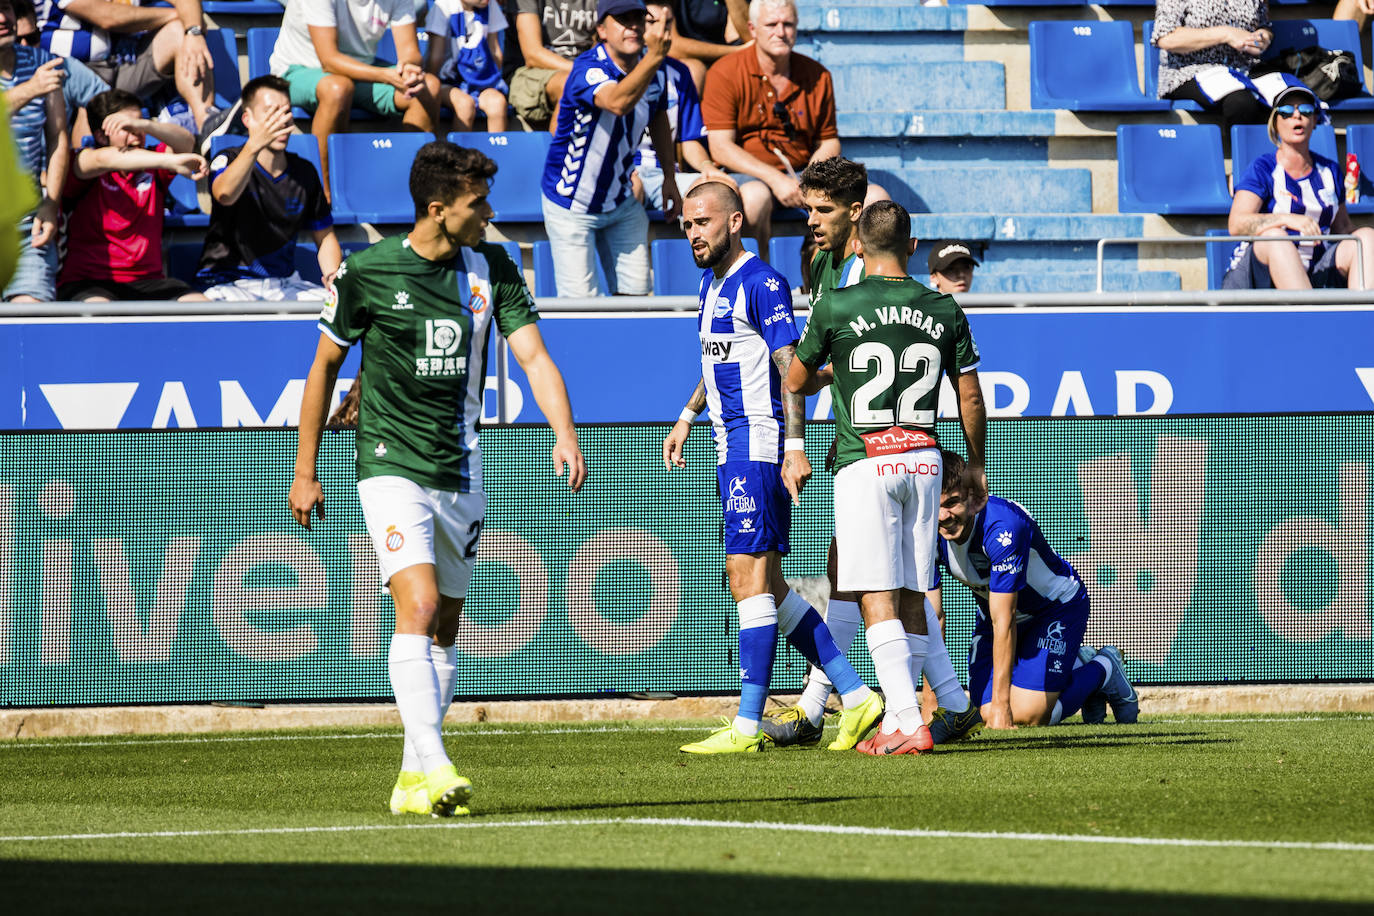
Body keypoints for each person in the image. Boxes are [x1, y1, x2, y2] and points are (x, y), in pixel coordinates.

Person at [290, 140, 586, 816]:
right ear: (437, 209)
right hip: (389, 466)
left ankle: (409, 776)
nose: (489, 214)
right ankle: (439, 763)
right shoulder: (367, 273)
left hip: (461, 469)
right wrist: (305, 471)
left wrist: (564, 433)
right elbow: (323, 371)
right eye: (477, 204)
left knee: (446, 626)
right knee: (417, 607)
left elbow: (534, 358)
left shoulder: (492, 269)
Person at [763, 158, 983, 749]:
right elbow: (966, 387)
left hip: (869, 450)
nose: (810, 220)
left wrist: (795, 437)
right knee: (866, 577)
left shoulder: (854, 283)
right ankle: (952, 703)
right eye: (807, 208)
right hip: (908, 450)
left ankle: (867, 711)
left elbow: (804, 370)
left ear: (857, 216)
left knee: (866, 585)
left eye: (822, 210)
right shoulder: (829, 262)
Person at [664, 181, 883, 754]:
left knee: (747, 577)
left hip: (757, 446)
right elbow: (726, 360)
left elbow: (790, 366)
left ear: (736, 222)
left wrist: (793, 442)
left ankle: (744, 725)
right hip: (729, 444)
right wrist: (688, 414)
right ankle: (857, 695)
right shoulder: (714, 285)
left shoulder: (762, 283)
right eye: (686, 225)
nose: (693, 234)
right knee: (773, 586)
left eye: (703, 222)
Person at [932, 450, 1139, 728]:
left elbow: (1005, 619)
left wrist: (1003, 709)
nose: (944, 516)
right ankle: (1074, 667)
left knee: (1026, 715)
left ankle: (1103, 667)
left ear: (972, 497)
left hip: (1053, 610)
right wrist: (930, 707)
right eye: (937, 505)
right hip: (994, 617)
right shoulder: (926, 530)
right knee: (979, 714)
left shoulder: (1003, 527)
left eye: (953, 503)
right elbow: (932, 618)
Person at [702, 0, 886, 256]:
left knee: (875, 197)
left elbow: (829, 141)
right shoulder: (724, 72)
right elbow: (720, 147)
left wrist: (809, 179)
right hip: (751, 175)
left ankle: (858, 284)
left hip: (804, 172)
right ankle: (761, 282)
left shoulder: (817, 74)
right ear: (753, 29)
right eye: (771, 24)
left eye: (788, 24)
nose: (781, 31)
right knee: (755, 198)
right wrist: (775, 179)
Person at [540, 0, 679, 297]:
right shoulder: (586, 68)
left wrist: (669, 177)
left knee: (639, 300)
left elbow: (658, 117)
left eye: (638, 19)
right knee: (581, 309)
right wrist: (654, 57)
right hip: (570, 203)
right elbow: (617, 102)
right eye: (622, 19)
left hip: (620, 200)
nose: (633, 25)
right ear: (601, 29)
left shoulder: (654, 67)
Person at [196, 75, 343, 301]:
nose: (281, 121)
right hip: (229, 282)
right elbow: (224, 194)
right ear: (247, 119)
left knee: (338, 307)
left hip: (285, 283)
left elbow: (324, 236)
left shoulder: (304, 171)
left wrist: (333, 276)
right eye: (271, 113)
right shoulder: (227, 159)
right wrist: (255, 144)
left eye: (285, 112)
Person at [269, 0, 440, 193]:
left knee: (428, 87)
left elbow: (410, 51)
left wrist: (409, 68)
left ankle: (413, 190)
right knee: (338, 88)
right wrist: (385, 76)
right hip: (298, 70)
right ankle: (323, 191)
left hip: (361, 72)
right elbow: (329, 61)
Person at [58, 88, 208, 301]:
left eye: (137, 126)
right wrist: (169, 161)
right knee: (100, 312)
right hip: (89, 282)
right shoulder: (83, 160)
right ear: (101, 135)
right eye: (126, 128)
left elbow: (187, 144)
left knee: (199, 306)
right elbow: (105, 160)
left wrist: (145, 124)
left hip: (149, 281)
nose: (136, 134)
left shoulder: (152, 160)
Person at [1224, 83, 1374, 291]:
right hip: (1260, 274)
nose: (1297, 116)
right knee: (1276, 237)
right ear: (1275, 123)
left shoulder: (1329, 170)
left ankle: (1364, 317)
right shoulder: (1263, 168)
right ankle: (1309, 318)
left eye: (1305, 111)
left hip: (1313, 270)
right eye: (1286, 112)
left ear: (1314, 121)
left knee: (1366, 238)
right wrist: (1288, 219)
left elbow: (1342, 229)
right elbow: (1237, 224)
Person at [34, 0, 216, 130]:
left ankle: (207, 123)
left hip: (126, 65)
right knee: (88, 103)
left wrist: (193, 31)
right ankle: (86, 170)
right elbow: (108, 17)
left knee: (181, 33)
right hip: (73, 71)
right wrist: (176, 15)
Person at [630, 0, 728, 212]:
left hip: (667, 174)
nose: (661, 31)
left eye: (668, 24)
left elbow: (689, 139)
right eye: (651, 22)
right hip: (627, 172)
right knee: (630, 190)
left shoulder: (679, 72)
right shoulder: (619, 67)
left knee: (719, 192)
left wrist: (707, 167)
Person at [2, 0, 66, 303]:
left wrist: (50, 204)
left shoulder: (42, 62)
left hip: (27, 232)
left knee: (29, 324)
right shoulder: (39, 78)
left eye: (6, 8)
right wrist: (30, 89)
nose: (2, 18)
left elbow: (58, 138)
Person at [1151, 0, 1272, 128]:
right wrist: (1225, 34)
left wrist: (1262, 38)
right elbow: (1166, 38)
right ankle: (1238, 147)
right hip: (1190, 70)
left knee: (1286, 98)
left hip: (1245, 68)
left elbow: (1264, 25)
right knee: (1241, 103)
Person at [12, 0, 107, 140]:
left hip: (54, 157)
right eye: (16, 40)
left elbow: (108, 100)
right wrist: (30, 89)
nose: (25, 46)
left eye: (32, 38)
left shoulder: (59, 65)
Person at [508, 0, 597, 127]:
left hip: (584, 71)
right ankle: (561, 147)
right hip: (528, 74)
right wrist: (587, 73)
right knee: (571, 84)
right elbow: (533, 55)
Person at [425, 0, 509, 132]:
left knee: (498, 102)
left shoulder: (491, 5)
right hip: (447, 81)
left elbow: (495, 51)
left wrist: (490, 80)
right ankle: (458, 151)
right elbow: (436, 56)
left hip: (479, 81)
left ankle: (496, 151)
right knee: (465, 105)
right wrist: (431, 91)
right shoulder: (442, 6)